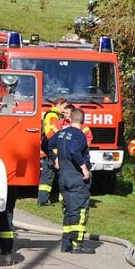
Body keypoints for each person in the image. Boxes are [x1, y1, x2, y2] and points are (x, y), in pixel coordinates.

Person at [51, 108, 94, 254]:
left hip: (63, 176)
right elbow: (75, 151)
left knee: (68, 209)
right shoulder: (79, 135)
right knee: (80, 210)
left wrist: (55, 159)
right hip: (76, 177)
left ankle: (66, 243)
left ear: (70, 119)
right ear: (83, 120)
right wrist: (84, 169)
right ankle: (77, 245)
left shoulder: (62, 133)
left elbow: (47, 144)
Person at [37, 97, 69, 206]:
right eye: (64, 107)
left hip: (52, 150)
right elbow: (51, 133)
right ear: (59, 104)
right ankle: (43, 201)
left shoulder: (56, 115)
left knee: (48, 175)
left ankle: (43, 200)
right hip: (52, 151)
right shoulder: (52, 115)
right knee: (48, 176)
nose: (65, 110)